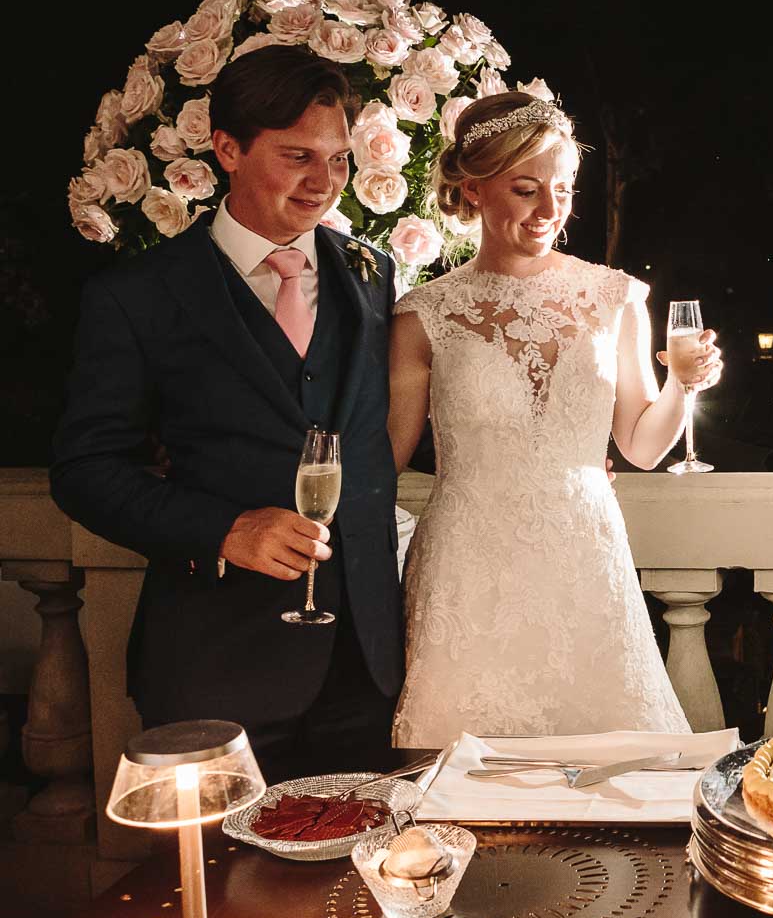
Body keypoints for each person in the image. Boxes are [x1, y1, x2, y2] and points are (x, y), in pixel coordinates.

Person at [51, 46, 403, 784]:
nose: (324, 182)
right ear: (228, 149)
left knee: (366, 861)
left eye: (339, 159)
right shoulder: (138, 295)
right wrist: (224, 530)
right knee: (222, 863)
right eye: (298, 157)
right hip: (215, 665)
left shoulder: (372, 273)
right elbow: (85, 470)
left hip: (366, 668)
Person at [387, 93, 720, 745]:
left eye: (563, 189)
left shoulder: (614, 297)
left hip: (586, 559)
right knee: (459, 760)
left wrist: (682, 387)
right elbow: (385, 460)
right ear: (473, 187)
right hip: (467, 570)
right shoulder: (424, 314)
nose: (549, 209)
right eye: (526, 189)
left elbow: (641, 446)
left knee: (608, 761)